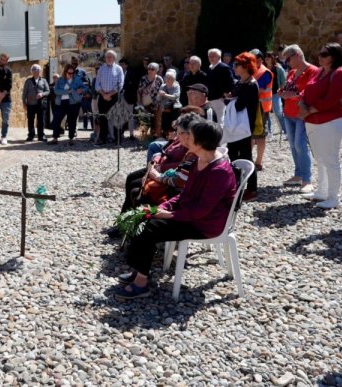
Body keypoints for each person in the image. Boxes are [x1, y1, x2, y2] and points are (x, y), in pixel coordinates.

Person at [113, 119, 239, 301]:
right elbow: (184, 195)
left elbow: (202, 210)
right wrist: (161, 208)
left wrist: (170, 214)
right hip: (190, 214)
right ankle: (139, 272)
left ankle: (141, 284)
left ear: (200, 142)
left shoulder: (219, 171)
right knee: (143, 217)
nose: (185, 140)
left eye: (191, 136)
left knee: (149, 227)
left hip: (205, 224)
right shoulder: (200, 161)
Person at [299, 43, 342, 209]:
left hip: (331, 121)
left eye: (324, 54)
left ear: (334, 57)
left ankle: (333, 197)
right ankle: (322, 191)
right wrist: (301, 102)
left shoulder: (340, 73)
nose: (320, 57)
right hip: (313, 121)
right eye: (320, 53)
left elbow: (333, 98)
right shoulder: (320, 71)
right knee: (320, 158)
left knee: (330, 159)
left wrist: (309, 111)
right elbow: (306, 90)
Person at [277, 45, 317, 192]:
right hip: (289, 113)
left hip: (301, 114)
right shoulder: (292, 72)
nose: (287, 62)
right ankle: (298, 174)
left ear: (298, 54)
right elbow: (287, 87)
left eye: (288, 59)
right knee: (294, 145)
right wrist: (282, 92)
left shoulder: (313, 71)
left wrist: (292, 95)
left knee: (300, 145)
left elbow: (312, 92)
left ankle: (307, 179)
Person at [226, 52, 264, 202]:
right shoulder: (241, 82)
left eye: (237, 65)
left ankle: (252, 190)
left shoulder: (250, 85)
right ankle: (237, 185)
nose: (234, 67)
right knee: (233, 156)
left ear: (246, 67)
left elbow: (240, 105)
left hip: (244, 128)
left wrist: (228, 100)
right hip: (236, 128)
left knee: (246, 158)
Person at [94, 50, 125, 145]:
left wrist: (110, 94)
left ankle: (118, 140)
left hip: (114, 97)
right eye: (107, 57)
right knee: (102, 119)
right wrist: (104, 94)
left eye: (110, 57)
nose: (108, 58)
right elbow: (97, 84)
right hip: (102, 96)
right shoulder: (101, 69)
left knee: (116, 118)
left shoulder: (119, 69)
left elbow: (120, 84)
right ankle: (103, 139)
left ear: (114, 58)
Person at [48, 63, 85, 144]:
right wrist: (67, 92)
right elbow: (56, 91)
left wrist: (81, 90)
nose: (71, 75)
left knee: (72, 121)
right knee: (57, 120)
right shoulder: (60, 80)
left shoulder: (77, 80)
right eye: (69, 73)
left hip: (73, 103)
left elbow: (84, 87)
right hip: (61, 102)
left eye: (72, 73)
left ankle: (71, 139)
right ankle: (55, 138)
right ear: (65, 72)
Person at [22, 64, 50, 142]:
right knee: (30, 120)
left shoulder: (43, 80)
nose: (36, 71)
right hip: (31, 104)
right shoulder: (28, 81)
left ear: (40, 71)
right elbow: (24, 93)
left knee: (41, 120)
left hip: (41, 104)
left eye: (37, 69)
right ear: (31, 71)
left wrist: (42, 94)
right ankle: (31, 135)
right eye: (34, 69)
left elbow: (48, 91)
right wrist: (24, 103)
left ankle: (41, 136)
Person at [205, 49, 235, 123]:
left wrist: (225, 94)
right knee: (211, 119)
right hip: (210, 99)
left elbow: (231, 82)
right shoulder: (210, 68)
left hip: (219, 99)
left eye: (213, 56)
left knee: (220, 120)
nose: (211, 58)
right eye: (209, 56)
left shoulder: (224, 67)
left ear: (219, 57)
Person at [137, 62, 164, 138]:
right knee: (144, 121)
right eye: (149, 69)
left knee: (156, 121)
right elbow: (139, 91)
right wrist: (139, 102)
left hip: (156, 103)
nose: (150, 70)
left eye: (152, 69)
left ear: (156, 70)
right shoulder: (143, 78)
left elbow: (162, 90)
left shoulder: (159, 79)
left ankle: (156, 137)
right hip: (145, 103)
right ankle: (143, 137)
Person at [158, 68, 182, 133]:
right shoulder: (162, 86)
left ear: (173, 79)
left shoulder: (176, 86)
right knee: (165, 126)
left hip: (175, 107)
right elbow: (158, 98)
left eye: (170, 78)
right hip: (165, 108)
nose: (167, 79)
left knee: (174, 125)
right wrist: (160, 95)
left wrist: (165, 95)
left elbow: (175, 97)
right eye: (166, 78)